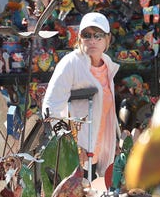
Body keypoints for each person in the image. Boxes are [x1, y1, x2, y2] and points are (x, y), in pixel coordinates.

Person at [42, 12, 119, 177]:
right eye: (86, 35)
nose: (92, 40)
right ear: (79, 39)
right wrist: (70, 144)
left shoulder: (108, 66)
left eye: (98, 35)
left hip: (99, 152)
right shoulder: (71, 63)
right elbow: (50, 106)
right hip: (76, 155)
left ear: (108, 39)